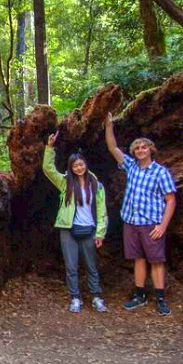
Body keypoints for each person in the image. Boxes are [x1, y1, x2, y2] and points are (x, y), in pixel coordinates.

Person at [104, 112, 177, 315]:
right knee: (138, 258)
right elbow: (113, 148)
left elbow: (171, 200)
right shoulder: (131, 167)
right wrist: (108, 126)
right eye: (137, 148)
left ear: (151, 150)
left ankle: (160, 299)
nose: (140, 150)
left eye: (144, 147)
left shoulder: (160, 172)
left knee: (156, 260)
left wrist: (162, 226)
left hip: (151, 223)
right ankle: (139, 295)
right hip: (131, 221)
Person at [43, 133, 108, 313]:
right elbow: (48, 169)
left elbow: (102, 210)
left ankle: (96, 297)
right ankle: (75, 298)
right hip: (68, 229)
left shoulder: (96, 185)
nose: (79, 168)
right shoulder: (65, 183)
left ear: (85, 165)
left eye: (81, 164)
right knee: (71, 266)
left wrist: (100, 232)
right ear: (71, 168)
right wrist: (49, 148)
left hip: (89, 229)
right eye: (75, 165)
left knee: (91, 265)